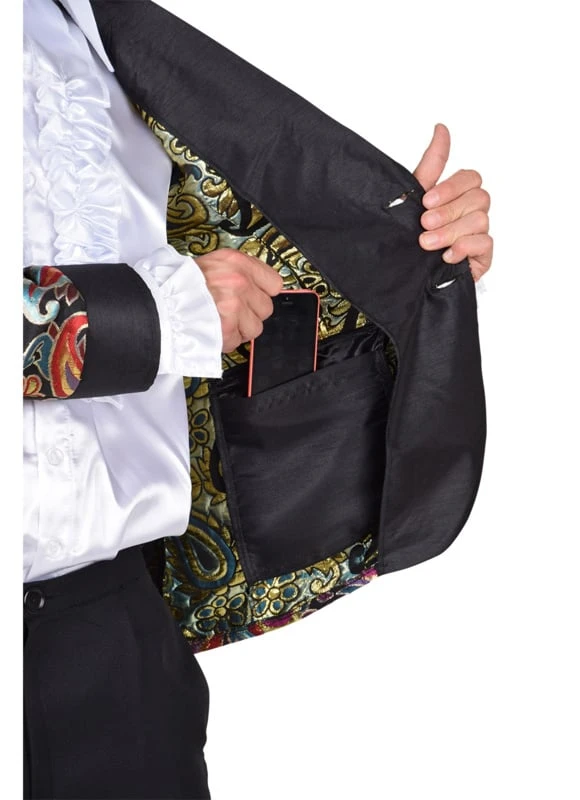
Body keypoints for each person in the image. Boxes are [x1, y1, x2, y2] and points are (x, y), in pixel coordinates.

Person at [22, 1, 493, 798]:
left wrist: (395, 258)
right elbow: (177, 303)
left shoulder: (88, 34)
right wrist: (157, 313)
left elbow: (211, 265)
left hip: (118, 643)